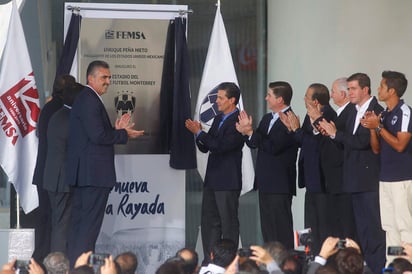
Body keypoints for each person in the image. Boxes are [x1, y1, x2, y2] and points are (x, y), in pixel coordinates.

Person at [65, 60, 144, 265]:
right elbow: (98, 136)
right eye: (104, 77)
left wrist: (116, 130)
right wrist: (123, 134)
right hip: (93, 176)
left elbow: (97, 134)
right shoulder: (89, 99)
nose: (108, 81)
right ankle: (81, 268)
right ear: (90, 78)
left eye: (109, 77)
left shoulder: (87, 99)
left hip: (87, 175)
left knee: (81, 227)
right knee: (88, 228)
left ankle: (76, 266)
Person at [318, 73, 386, 274]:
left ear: (365, 89)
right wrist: (327, 129)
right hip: (353, 180)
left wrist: (335, 134)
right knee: (361, 231)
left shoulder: (376, 110)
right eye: (349, 89)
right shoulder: (351, 111)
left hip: (368, 180)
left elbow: (362, 142)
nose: (350, 93)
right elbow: (338, 132)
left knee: (373, 231)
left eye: (354, 89)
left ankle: (376, 268)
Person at [185, 82, 244, 265]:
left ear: (232, 100)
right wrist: (198, 134)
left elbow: (221, 147)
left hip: (227, 181)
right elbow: (207, 147)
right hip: (212, 179)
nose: (216, 101)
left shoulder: (239, 121)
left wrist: (200, 134)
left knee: (228, 224)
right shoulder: (219, 118)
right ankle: (210, 260)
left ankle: (228, 262)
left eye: (220, 97)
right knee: (210, 223)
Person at [236, 81, 298, 249]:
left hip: (280, 183)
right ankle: (270, 262)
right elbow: (255, 143)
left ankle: (286, 263)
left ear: (280, 99)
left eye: (269, 95)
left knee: (281, 228)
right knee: (268, 228)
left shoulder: (291, 119)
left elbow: (273, 147)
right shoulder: (267, 118)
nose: (266, 98)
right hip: (265, 182)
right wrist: (246, 132)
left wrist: (251, 133)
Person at [361, 71, 412, 263]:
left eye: (381, 87)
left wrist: (379, 127)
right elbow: (376, 149)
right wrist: (373, 128)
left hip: (403, 179)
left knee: (405, 227)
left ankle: (408, 266)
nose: (378, 90)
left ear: (391, 91)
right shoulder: (383, 114)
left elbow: (400, 145)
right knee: (389, 227)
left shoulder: (405, 112)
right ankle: (392, 266)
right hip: (385, 179)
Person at [280, 83, 337, 255]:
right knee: (310, 223)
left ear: (316, 101)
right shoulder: (309, 115)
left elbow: (315, 144)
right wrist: (292, 130)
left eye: (306, 96)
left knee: (323, 224)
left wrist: (297, 130)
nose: (303, 99)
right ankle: (309, 255)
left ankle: (323, 257)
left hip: (323, 180)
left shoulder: (328, 115)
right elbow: (302, 140)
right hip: (311, 179)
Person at [31, 74, 76, 262]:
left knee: (47, 220)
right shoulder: (62, 110)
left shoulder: (48, 108)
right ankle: (53, 262)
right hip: (56, 174)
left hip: (44, 172)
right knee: (58, 223)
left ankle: (43, 258)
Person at [43, 82, 84, 253]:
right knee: (61, 227)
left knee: (59, 224)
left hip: (54, 178)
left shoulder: (58, 115)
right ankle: (58, 267)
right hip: (62, 181)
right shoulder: (71, 118)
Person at [320, 78, 357, 241]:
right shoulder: (341, 113)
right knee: (336, 223)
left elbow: (344, 142)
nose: (330, 95)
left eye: (333, 91)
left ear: (342, 94)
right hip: (334, 178)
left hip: (343, 177)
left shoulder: (350, 112)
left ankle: (349, 260)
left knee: (346, 224)